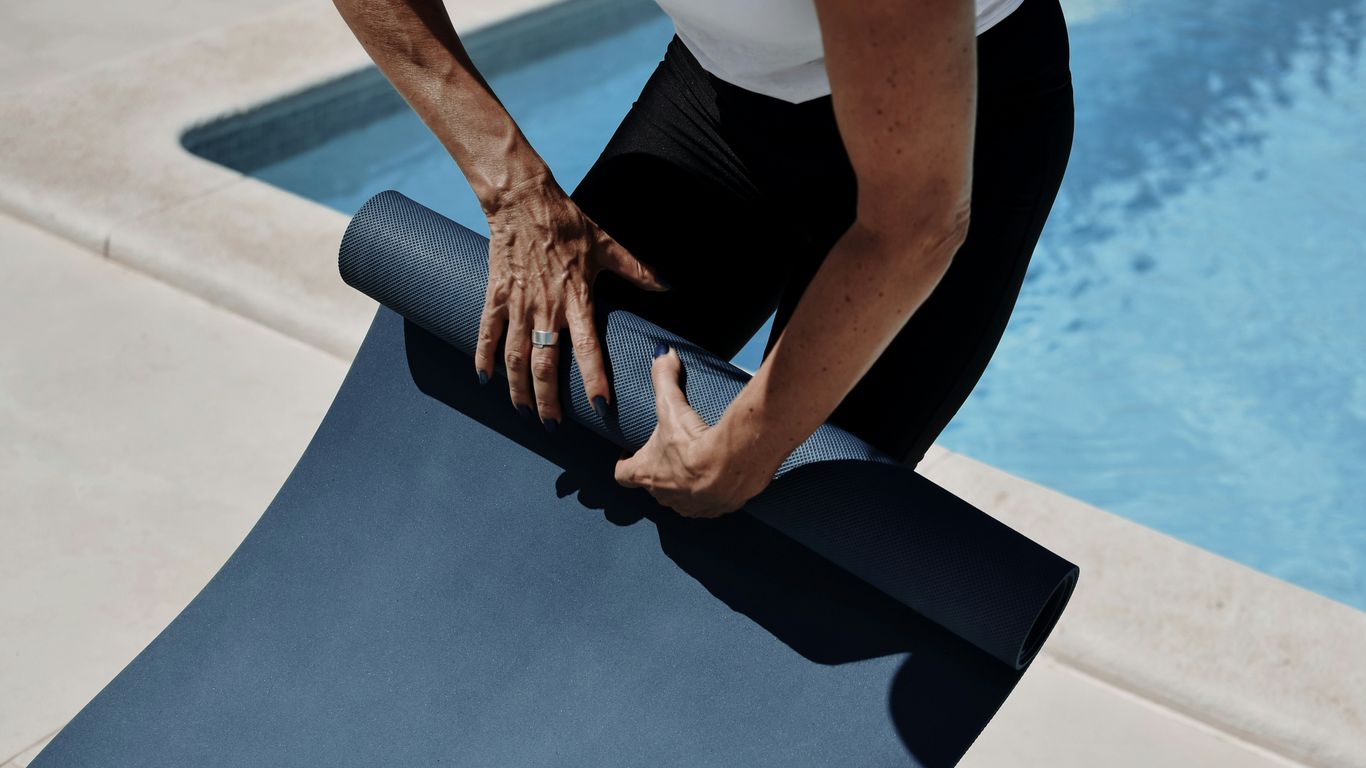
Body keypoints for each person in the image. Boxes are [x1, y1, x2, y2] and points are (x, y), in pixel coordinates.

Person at [332, 0, 1074, 519]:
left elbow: (913, 226)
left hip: (956, 130)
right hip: (726, 98)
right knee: (543, 414)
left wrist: (751, 449)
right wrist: (513, 187)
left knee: (794, 530)